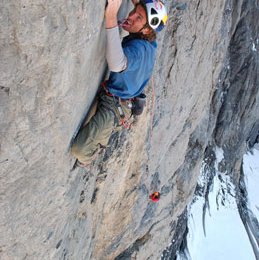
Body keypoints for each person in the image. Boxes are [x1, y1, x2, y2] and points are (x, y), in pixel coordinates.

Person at [71, 0, 168, 167]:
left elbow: (117, 64)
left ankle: (90, 156)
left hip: (114, 109)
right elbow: (139, 4)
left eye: (138, 17)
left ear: (145, 29)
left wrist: (110, 18)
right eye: (133, 11)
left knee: (79, 150)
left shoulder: (139, 50)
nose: (130, 16)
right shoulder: (148, 38)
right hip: (122, 98)